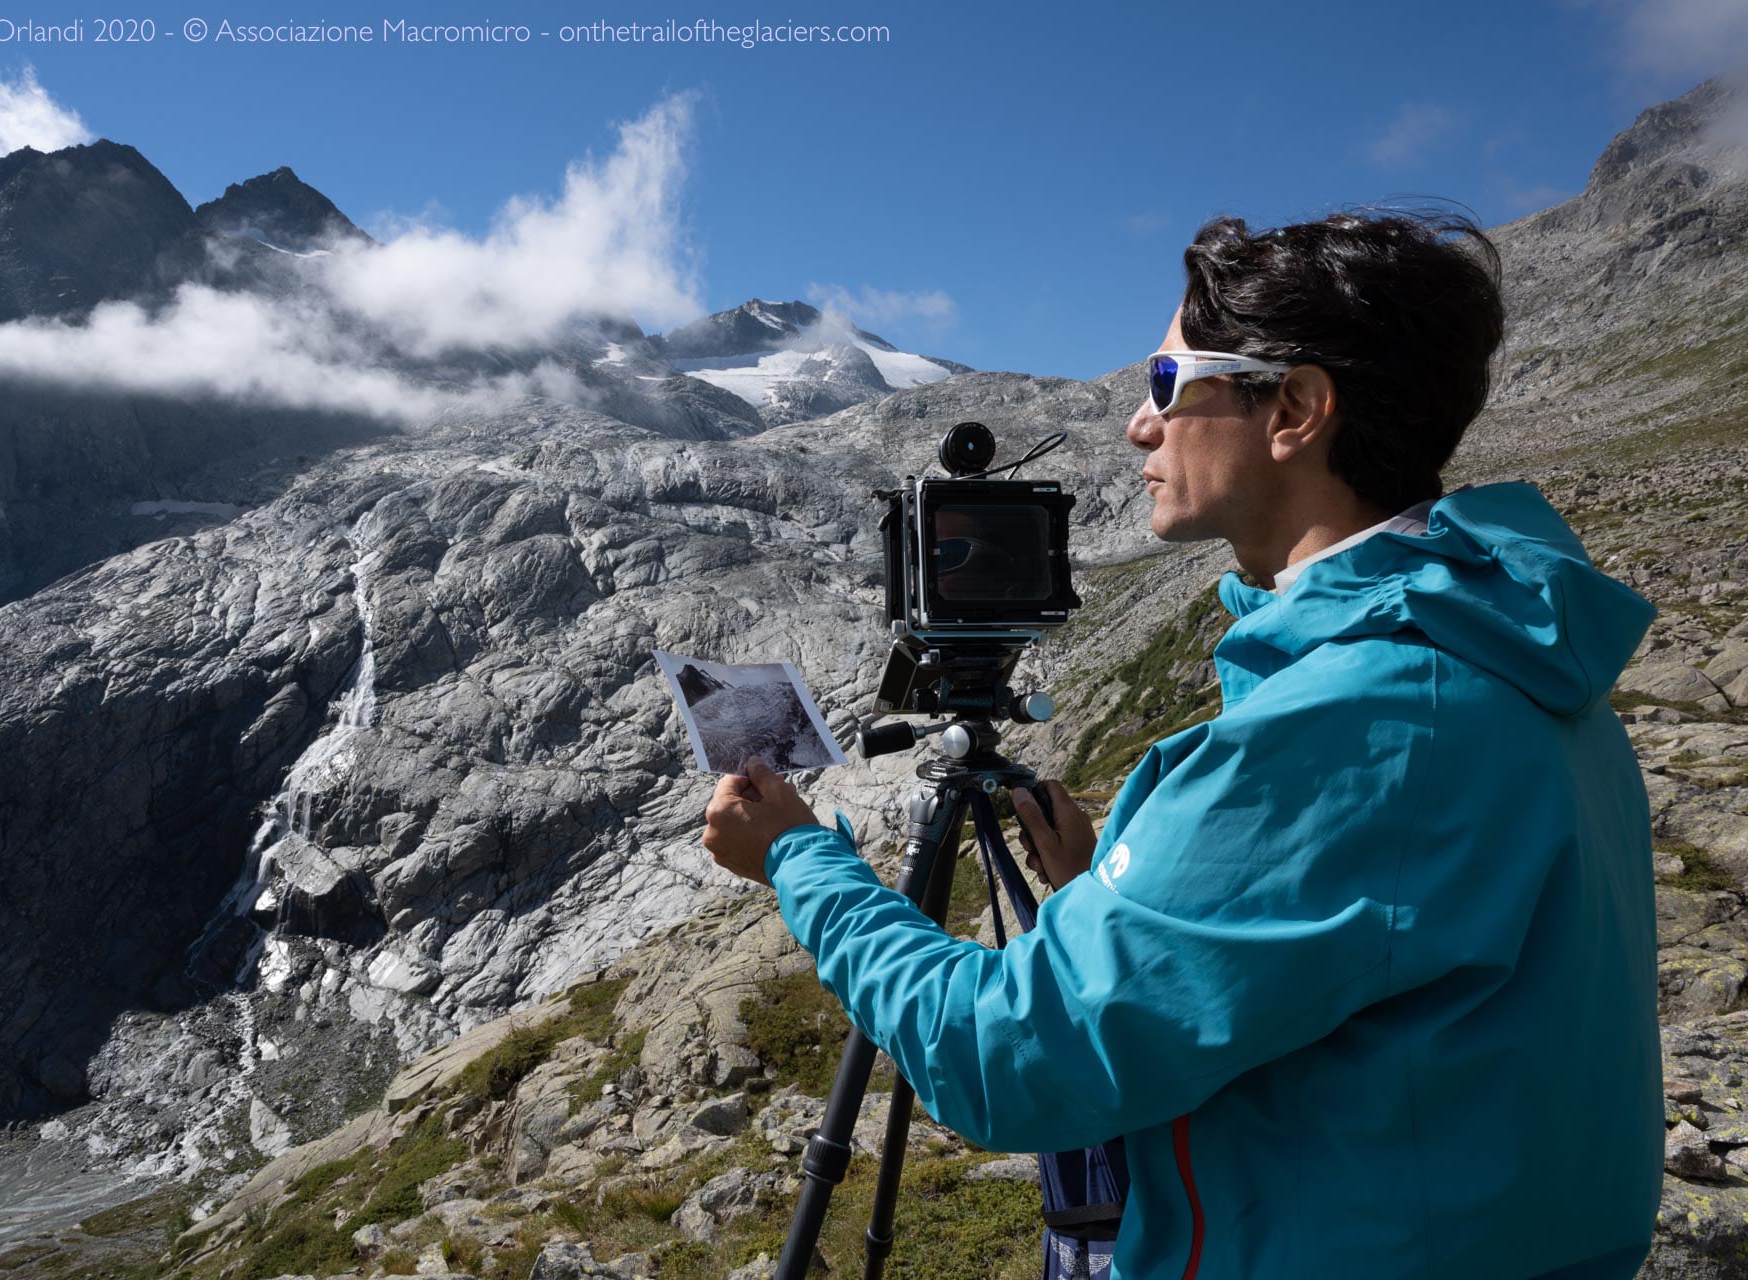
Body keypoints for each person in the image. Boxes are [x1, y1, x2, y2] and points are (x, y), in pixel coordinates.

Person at [702, 207, 1666, 1278]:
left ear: (1295, 407)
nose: (1136, 424)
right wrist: (1095, 900)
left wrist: (797, 855)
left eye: (1166, 383)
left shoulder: (1359, 719)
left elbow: (1005, 1055)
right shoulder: (1517, 656)